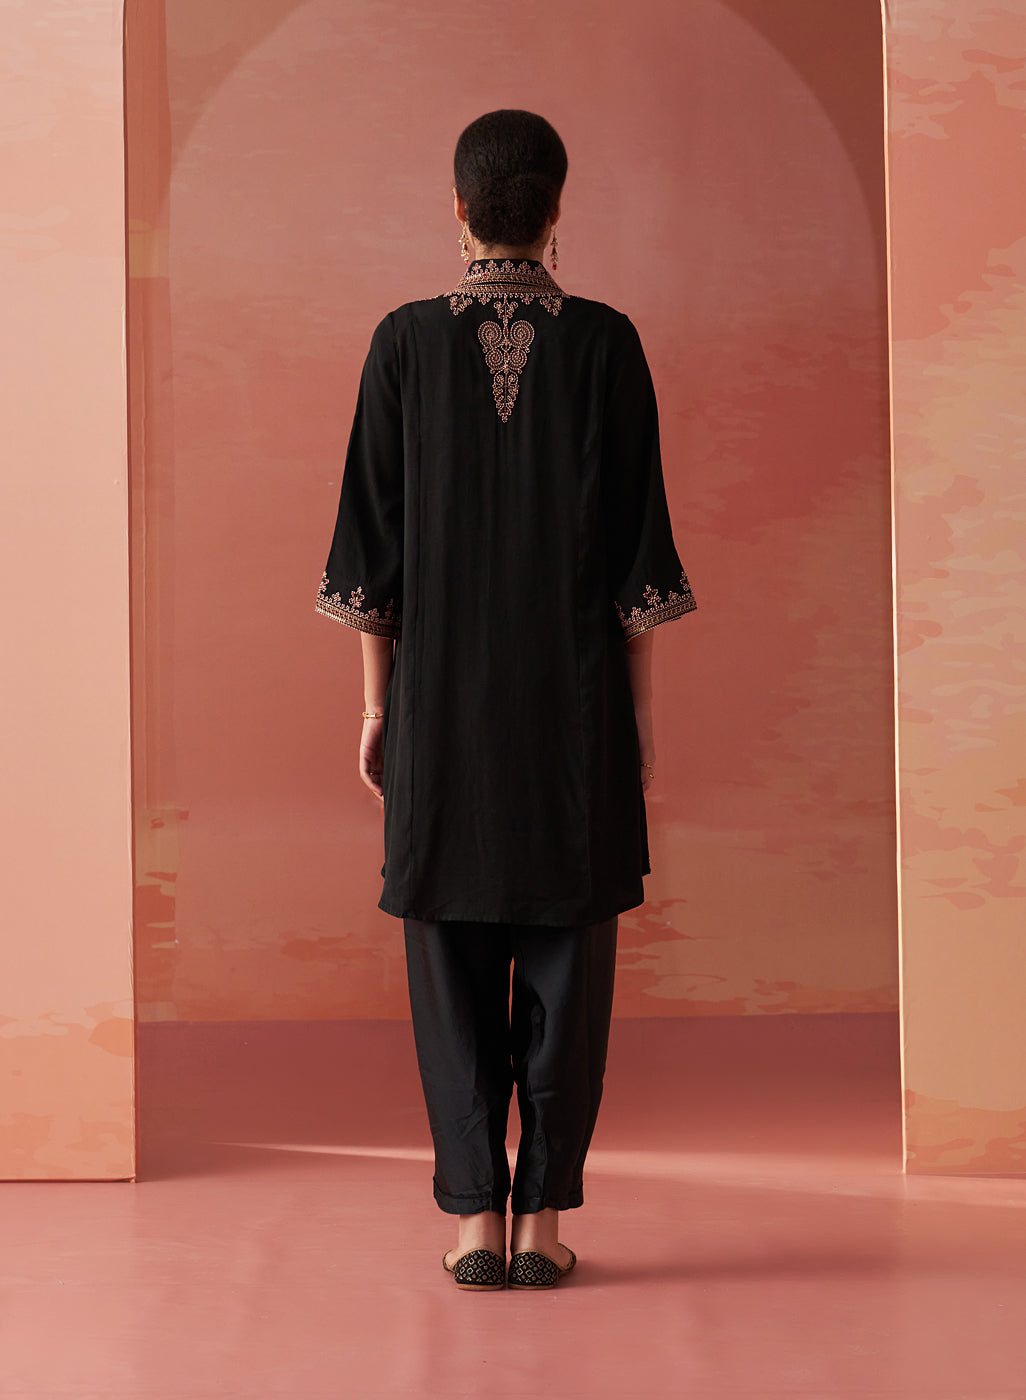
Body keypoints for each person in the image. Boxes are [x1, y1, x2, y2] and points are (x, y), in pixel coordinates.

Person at [316, 109, 696, 1291]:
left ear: (460, 207)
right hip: (575, 715)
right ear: (556, 208)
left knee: (449, 966)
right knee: (570, 971)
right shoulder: (608, 344)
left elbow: (369, 556)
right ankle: (542, 1224)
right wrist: (640, 718)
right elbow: (638, 561)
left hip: (439, 712)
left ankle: (473, 1219)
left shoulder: (401, 343)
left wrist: (378, 706)